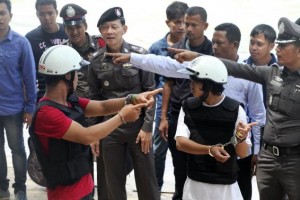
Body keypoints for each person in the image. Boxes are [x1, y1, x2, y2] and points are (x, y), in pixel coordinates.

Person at [108, 16, 300, 200]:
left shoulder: (242, 94)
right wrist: (133, 58)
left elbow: (257, 116)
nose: (278, 48)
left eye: (283, 45)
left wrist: (254, 151)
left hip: (271, 156)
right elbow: (168, 65)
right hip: (258, 159)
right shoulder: (269, 73)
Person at [30, 45, 161, 200]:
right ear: (68, 76)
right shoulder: (47, 114)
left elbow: (102, 106)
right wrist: (122, 117)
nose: (78, 77)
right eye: (76, 73)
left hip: (84, 186)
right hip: (66, 195)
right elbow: (86, 136)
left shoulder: (69, 101)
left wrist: (131, 98)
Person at [88, 7, 160, 200]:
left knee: (147, 181)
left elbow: (151, 94)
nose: (109, 31)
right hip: (110, 128)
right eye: (105, 27)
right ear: (100, 32)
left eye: (114, 26)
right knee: (113, 183)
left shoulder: (139, 56)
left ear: (124, 29)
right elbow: (95, 99)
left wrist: (147, 129)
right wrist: (94, 134)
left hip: (138, 129)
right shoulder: (95, 61)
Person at [175, 55, 255, 200]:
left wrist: (240, 137)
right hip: (195, 184)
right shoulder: (187, 106)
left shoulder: (236, 110)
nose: (190, 85)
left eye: (195, 81)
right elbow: (180, 143)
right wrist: (210, 150)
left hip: (225, 188)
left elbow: (242, 154)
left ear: (209, 84)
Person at [159, 6, 213, 199]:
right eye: (186, 23)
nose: (188, 28)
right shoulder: (177, 47)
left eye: (193, 25)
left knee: (201, 164)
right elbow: (168, 84)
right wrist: (163, 117)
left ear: (205, 26)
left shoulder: (211, 51)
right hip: (177, 114)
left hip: (202, 116)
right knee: (179, 166)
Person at [212, 23, 266, 200]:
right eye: (213, 42)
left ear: (234, 45)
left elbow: (258, 115)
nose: (214, 47)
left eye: (219, 43)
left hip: (240, 144)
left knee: (241, 191)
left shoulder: (248, 75)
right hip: (211, 143)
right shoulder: (208, 69)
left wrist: (255, 151)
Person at [59, 3, 106, 199]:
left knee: (106, 166)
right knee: (81, 167)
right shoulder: (62, 51)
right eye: (69, 27)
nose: (74, 31)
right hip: (76, 116)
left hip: (101, 113)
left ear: (85, 25)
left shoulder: (102, 44)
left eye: (78, 26)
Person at [148, 1, 188, 192]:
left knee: (184, 151)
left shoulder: (191, 46)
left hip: (185, 105)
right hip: (160, 109)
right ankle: (155, 190)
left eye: (185, 22)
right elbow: (151, 81)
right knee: (158, 151)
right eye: (177, 22)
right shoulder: (157, 48)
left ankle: (183, 191)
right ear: (168, 23)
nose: (181, 27)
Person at [0, 0, 36, 199]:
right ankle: (1, 186)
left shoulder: (21, 43)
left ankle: (20, 188)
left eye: (2, 13)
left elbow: (30, 77)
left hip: (13, 108)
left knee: (17, 149)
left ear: (10, 16)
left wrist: (30, 108)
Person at [25, 0, 68, 102]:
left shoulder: (68, 31)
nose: (47, 18)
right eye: (42, 14)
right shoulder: (30, 39)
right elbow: (26, 71)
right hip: (43, 94)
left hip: (68, 91)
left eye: (50, 13)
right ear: (37, 15)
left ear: (56, 13)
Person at [244, 24, 277, 107]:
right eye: (252, 42)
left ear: (271, 46)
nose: (254, 48)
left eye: (259, 44)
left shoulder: (280, 70)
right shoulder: (242, 66)